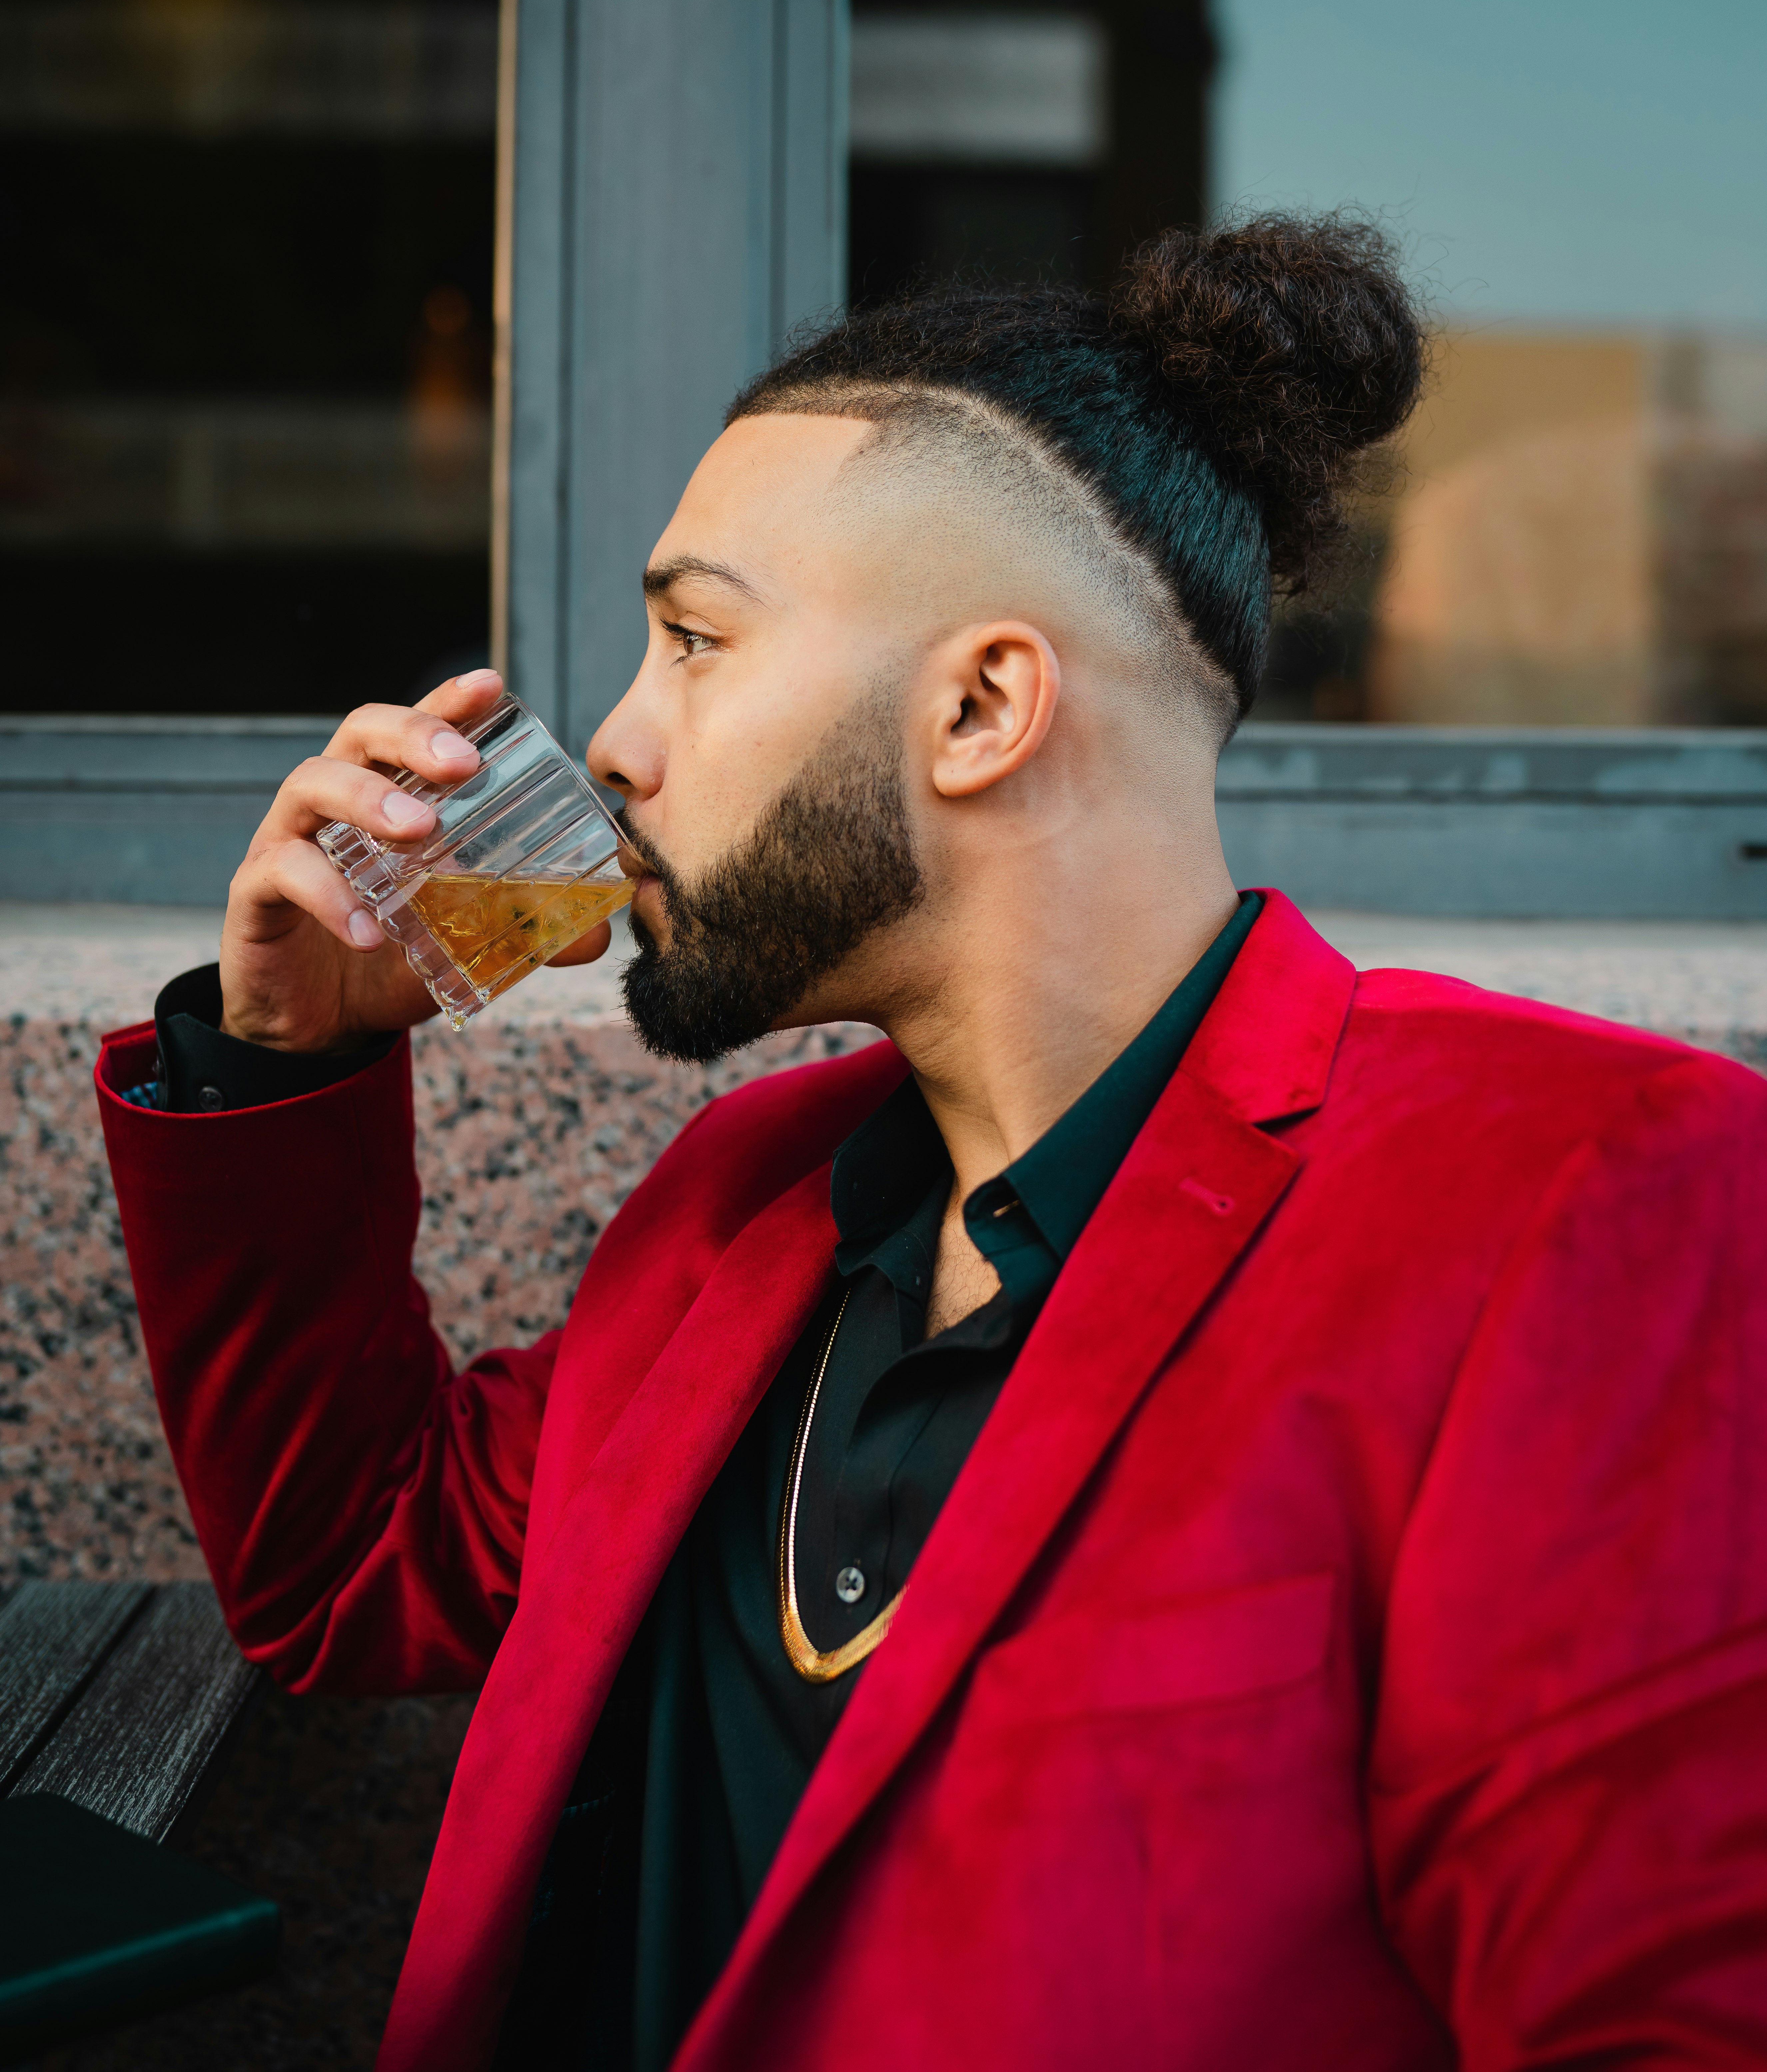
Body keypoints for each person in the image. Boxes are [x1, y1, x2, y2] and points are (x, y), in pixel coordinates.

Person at [98, 218, 1767, 2072]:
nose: (622, 746)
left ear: (981, 705)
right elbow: (350, 1566)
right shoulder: (740, 1206)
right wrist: (279, 1064)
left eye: (692, 641)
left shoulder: (1576, 1186)